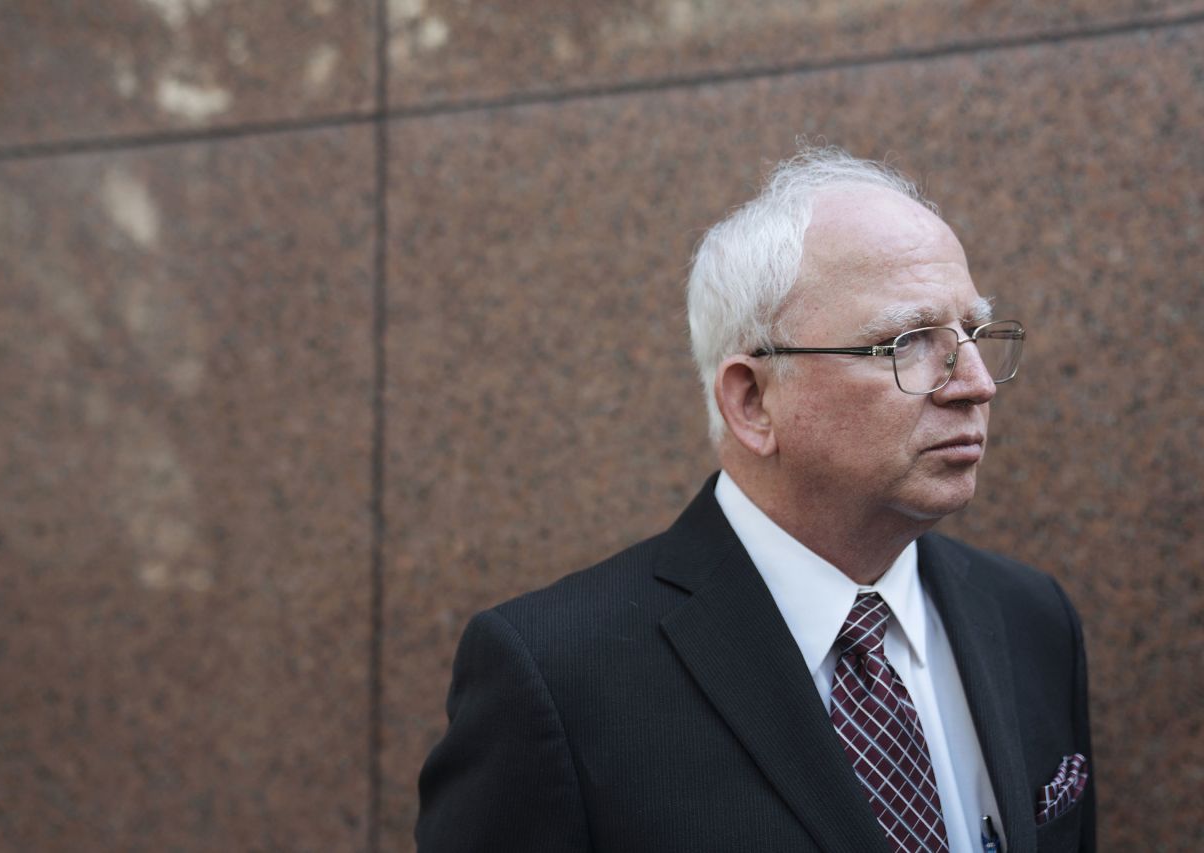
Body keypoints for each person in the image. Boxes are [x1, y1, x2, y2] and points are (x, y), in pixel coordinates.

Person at [415, 147, 1095, 853]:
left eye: (976, 334)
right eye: (910, 341)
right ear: (752, 400)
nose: (977, 383)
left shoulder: (1030, 618)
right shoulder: (557, 676)